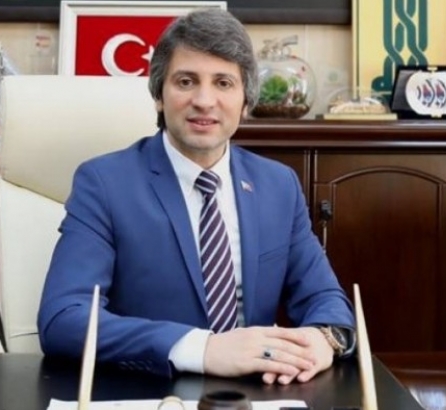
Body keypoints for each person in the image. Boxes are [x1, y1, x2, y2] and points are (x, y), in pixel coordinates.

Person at [37, 8, 355, 385]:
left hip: (256, 395)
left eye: (223, 83)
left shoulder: (278, 185)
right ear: (159, 95)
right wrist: (201, 349)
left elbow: (326, 300)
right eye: (186, 81)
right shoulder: (104, 184)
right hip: (150, 391)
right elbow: (63, 318)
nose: (204, 100)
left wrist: (324, 339)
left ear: (246, 101)